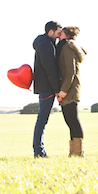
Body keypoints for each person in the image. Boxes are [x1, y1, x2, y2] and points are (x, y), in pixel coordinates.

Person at [32, 20, 62, 157]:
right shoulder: (46, 45)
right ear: (50, 32)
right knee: (42, 120)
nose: (58, 36)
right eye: (57, 33)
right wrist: (57, 89)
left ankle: (39, 151)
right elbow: (50, 69)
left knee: (42, 120)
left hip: (46, 87)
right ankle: (39, 151)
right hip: (47, 87)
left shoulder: (44, 43)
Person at [56, 26, 87, 157]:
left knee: (73, 120)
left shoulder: (68, 48)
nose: (58, 35)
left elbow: (70, 72)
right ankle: (73, 152)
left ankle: (78, 152)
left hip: (70, 89)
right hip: (67, 89)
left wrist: (63, 91)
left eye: (61, 33)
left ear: (66, 35)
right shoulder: (64, 47)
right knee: (69, 121)